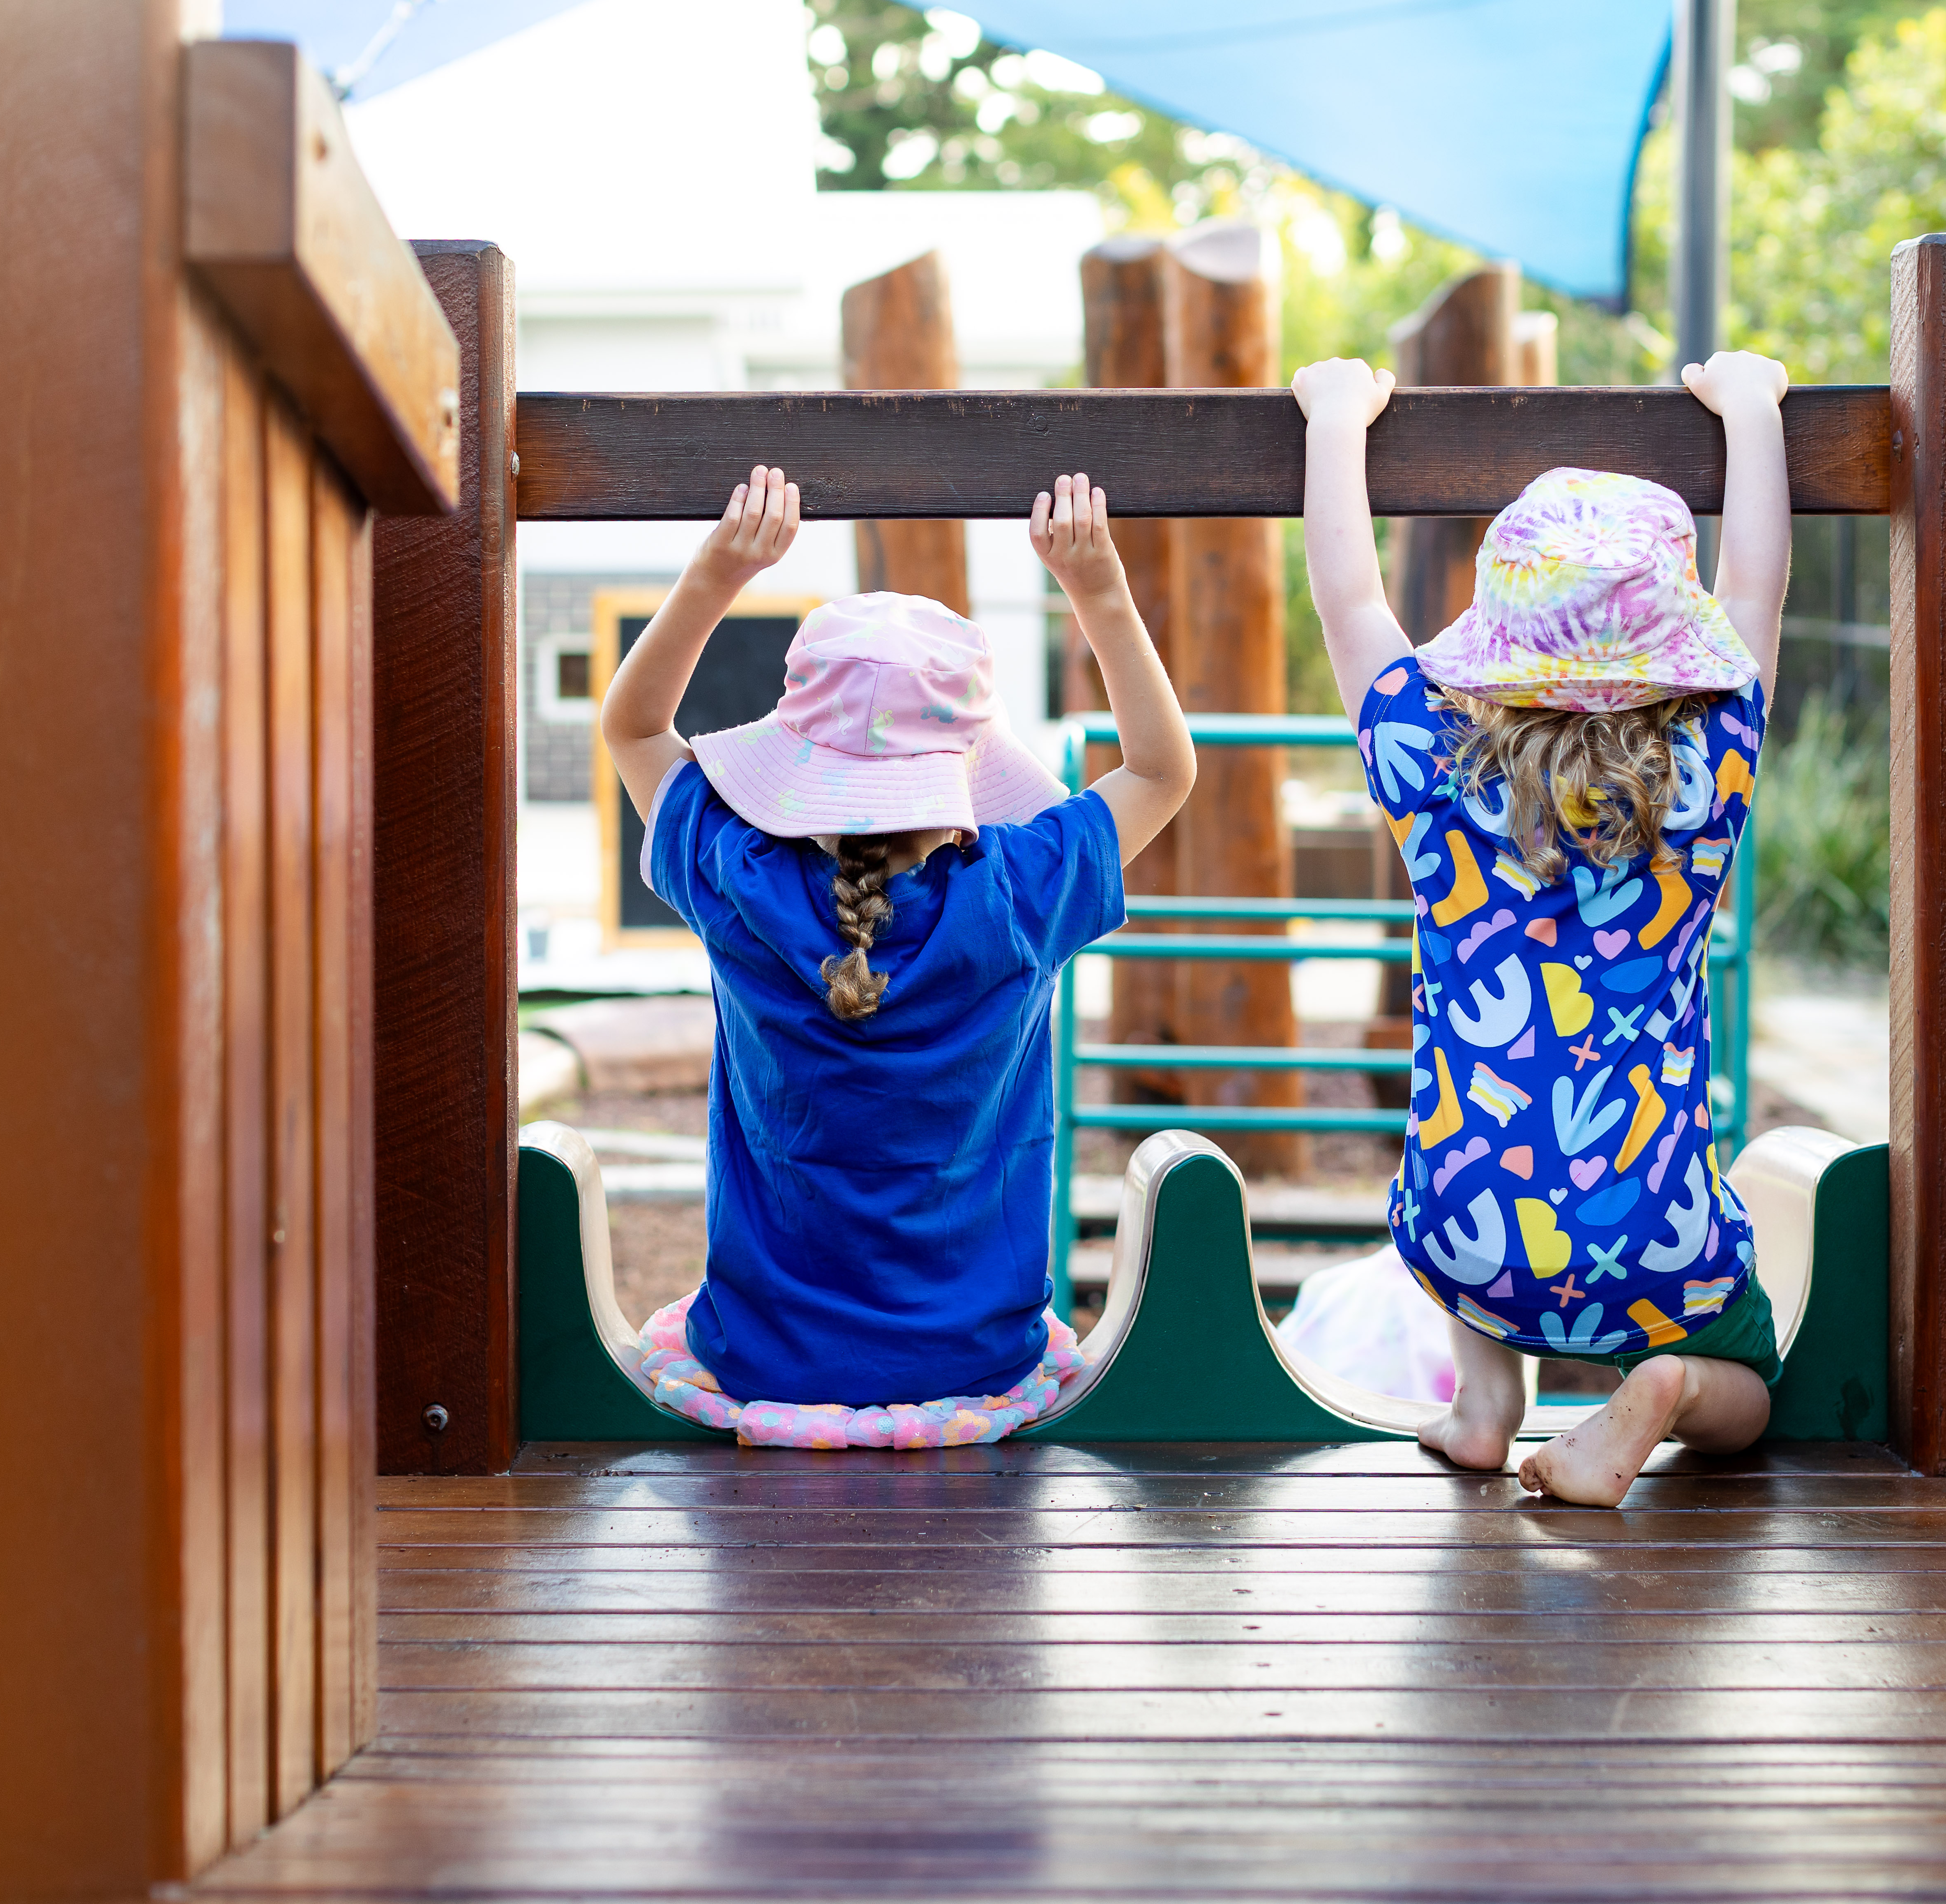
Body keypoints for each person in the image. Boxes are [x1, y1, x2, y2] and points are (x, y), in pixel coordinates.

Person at [594, 464, 1194, 1445]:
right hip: (975, 1356)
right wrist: (1097, 589)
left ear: (794, 763)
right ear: (961, 773)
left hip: (766, 1353)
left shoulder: (733, 873)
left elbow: (632, 726)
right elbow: (1163, 770)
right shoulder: (1018, 893)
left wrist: (717, 571)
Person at [1292, 351, 1792, 1505]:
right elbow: (1758, 590)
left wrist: (1335, 421)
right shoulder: (1708, 773)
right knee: (1754, 1391)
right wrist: (1755, 413)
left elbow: (1350, 599)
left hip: (1466, 1231)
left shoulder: (1432, 767)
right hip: (1658, 1238)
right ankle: (1662, 1390)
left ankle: (1484, 1405)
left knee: (1473, 1167)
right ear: (1677, 643)